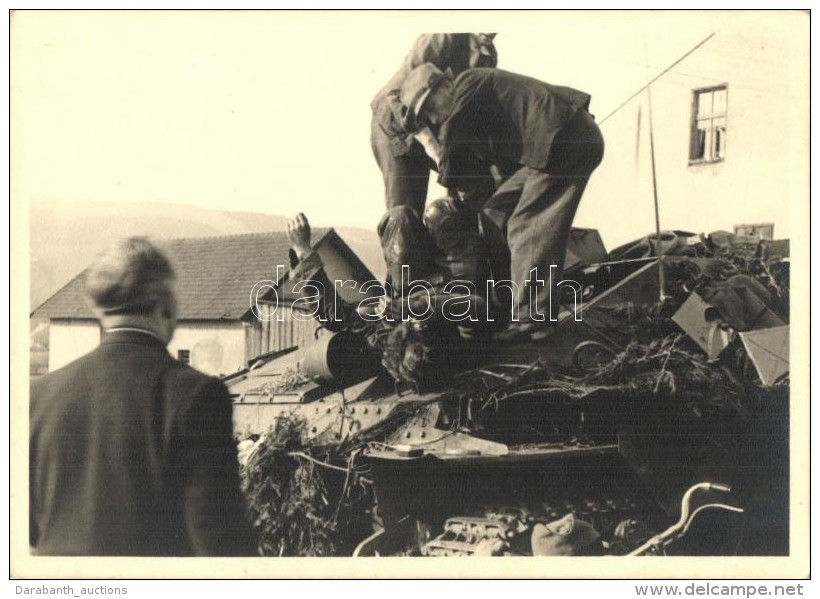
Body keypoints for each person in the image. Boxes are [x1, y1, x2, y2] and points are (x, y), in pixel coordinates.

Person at [29, 237, 258, 556]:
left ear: (98, 307)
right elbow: (220, 542)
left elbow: (27, 525)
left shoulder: (36, 395)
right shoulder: (197, 395)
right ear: (166, 303)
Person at [399, 64, 605, 341]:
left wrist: (431, 146)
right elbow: (489, 176)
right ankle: (506, 302)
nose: (433, 118)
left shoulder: (468, 84)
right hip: (548, 150)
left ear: (443, 85)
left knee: (525, 225)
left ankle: (533, 317)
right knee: (494, 213)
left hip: (567, 138)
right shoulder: (475, 110)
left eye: (429, 109)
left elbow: (450, 146)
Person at [371, 33, 498, 217]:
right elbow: (396, 94)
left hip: (437, 124)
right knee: (406, 214)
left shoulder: (488, 56)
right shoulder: (442, 37)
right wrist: (435, 149)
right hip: (395, 129)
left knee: (477, 183)